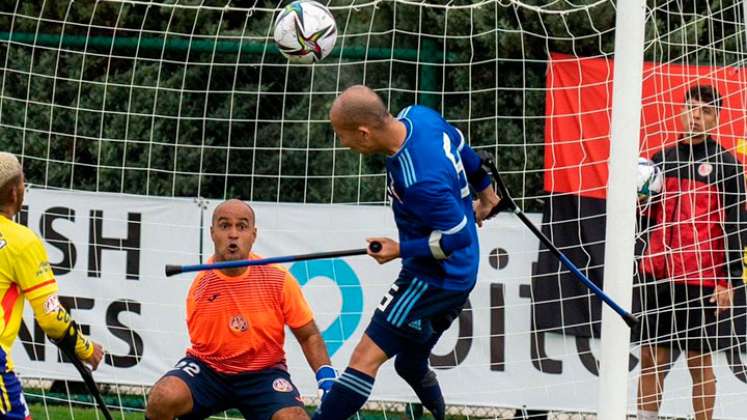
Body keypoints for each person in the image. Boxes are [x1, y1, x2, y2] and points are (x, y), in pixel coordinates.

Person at [313, 85, 500, 420]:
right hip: (455, 272)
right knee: (409, 362)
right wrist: (487, 196)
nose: (343, 143)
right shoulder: (420, 116)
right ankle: (440, 413)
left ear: (364, 133)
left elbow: (457, 237)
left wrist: (400, 249)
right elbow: (462, 147)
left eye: (343, 136)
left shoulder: (420, 181)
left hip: (434, 277)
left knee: (364, 358)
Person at [146, 199, 335, 420]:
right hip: (209, 370)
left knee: (293, 418)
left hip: (265, 374)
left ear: (253, 235)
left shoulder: (278, 279)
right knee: (163, 396)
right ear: (212, 233)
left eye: (242, 226)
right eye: (225, 226)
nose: (233, 234)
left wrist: (326, 376)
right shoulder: (201, 287)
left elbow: (309, 335)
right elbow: (207, 345)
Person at [636, 85, 746, 420]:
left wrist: (727, 280)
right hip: (658, 274)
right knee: (652, 358)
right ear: (680, 111)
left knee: (699, 363)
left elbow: (736, 227)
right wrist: (639, 199)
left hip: (702, 279)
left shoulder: (727, 166)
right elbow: (645, 219)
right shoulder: (659, 161)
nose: (696, 116)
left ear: (716, 119)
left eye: (706, 111)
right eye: (691, 108)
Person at [0, 152, 104, 419]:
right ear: (14, 193)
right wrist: (87, 349)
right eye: (23, 181)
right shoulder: (22, 242)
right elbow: (51, 318)